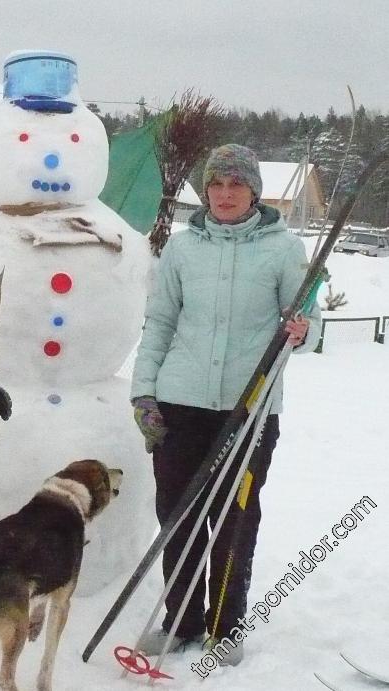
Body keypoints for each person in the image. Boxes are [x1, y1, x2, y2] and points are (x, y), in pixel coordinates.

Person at [130, 144, 321, 666]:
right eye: (216, 184)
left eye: (237, 184)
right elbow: (160, 323)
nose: (226, 193)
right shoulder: (183, 249)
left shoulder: (284, 250)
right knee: (178, 515)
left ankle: (223, 625)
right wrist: (144, 392)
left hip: (251, 407)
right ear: (206, 191)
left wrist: (303, 329)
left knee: (235, 517)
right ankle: (182, 621)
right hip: (180, 402)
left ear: (254, 191)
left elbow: (308, 320)